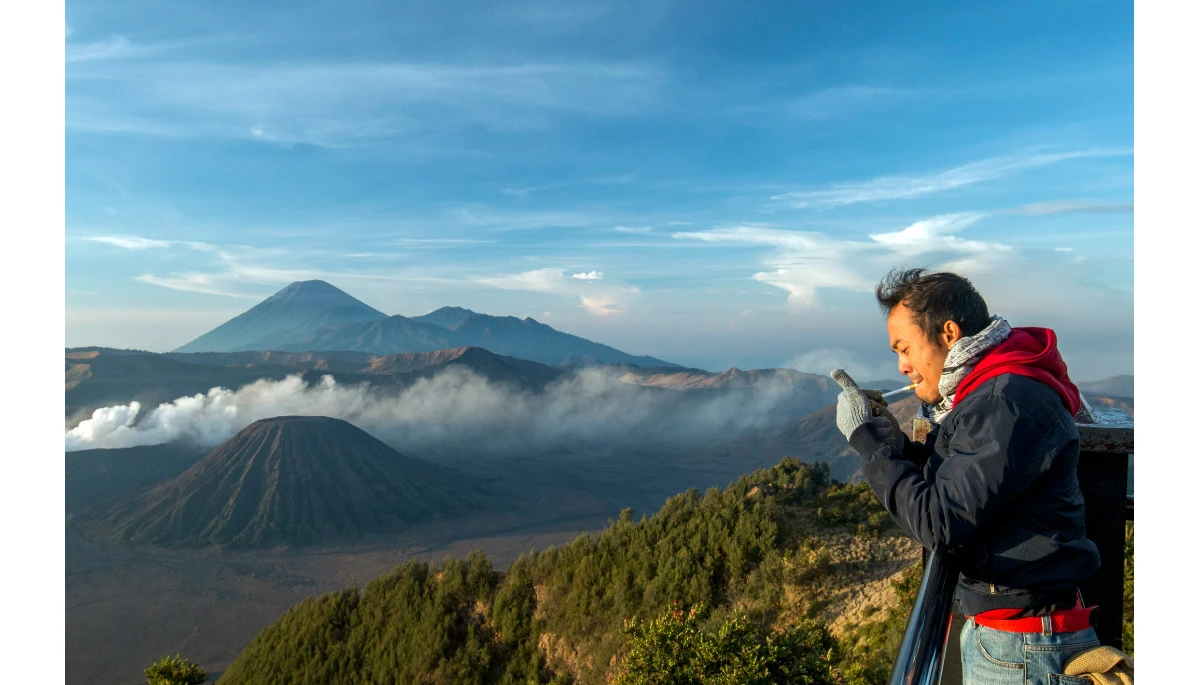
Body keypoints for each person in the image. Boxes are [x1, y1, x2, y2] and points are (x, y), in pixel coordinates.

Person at [831, 268, 1102, 685]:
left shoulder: (1002, 402)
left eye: (904, 348)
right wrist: (896, 444)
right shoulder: (994, 390)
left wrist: (869, 445)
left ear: (948, 334)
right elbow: (965, 481)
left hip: (1023, 649)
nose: (901, 366)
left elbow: (940, 521)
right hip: (1021, 637)